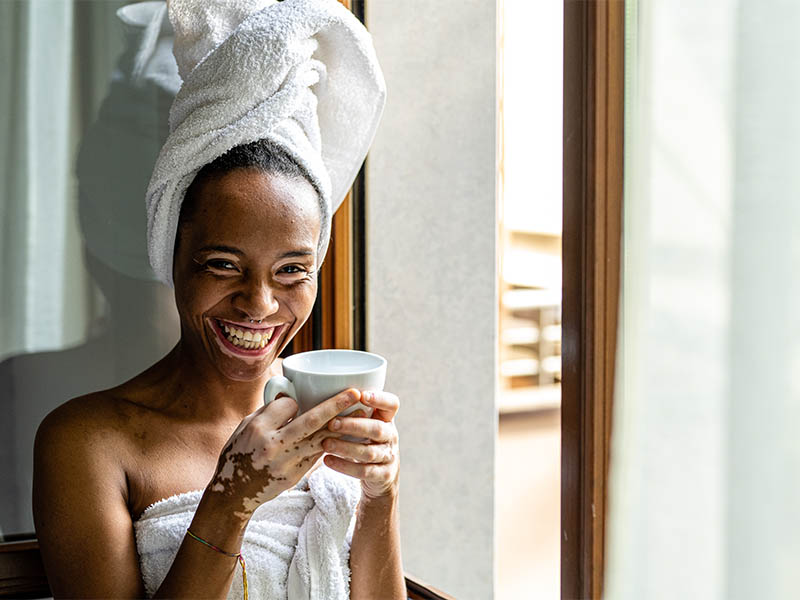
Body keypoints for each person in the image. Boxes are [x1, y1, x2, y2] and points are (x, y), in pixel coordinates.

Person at [32, 1, 402, 598]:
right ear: (171, 256)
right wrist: (230, 500)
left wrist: (381, 496)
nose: (259, 304)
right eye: (224, 265)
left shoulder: (331, 419)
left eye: (291, 271)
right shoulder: (88, 442)